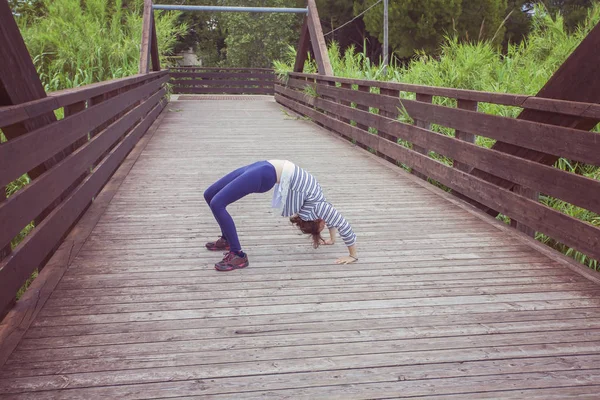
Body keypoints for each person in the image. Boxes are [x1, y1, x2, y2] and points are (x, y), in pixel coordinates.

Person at [204, 160, 358, 271]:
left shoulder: (318, 206)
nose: (326, 224)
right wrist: (332, 239)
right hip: (264, 165)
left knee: (217, 203)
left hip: (265, 173)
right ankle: (227, 240)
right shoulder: (318, 205)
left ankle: (238, 254)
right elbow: (334, 220)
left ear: (316, 221)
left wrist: (352, 255)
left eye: (322, 227)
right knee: (209, 194)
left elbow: (342, 224)